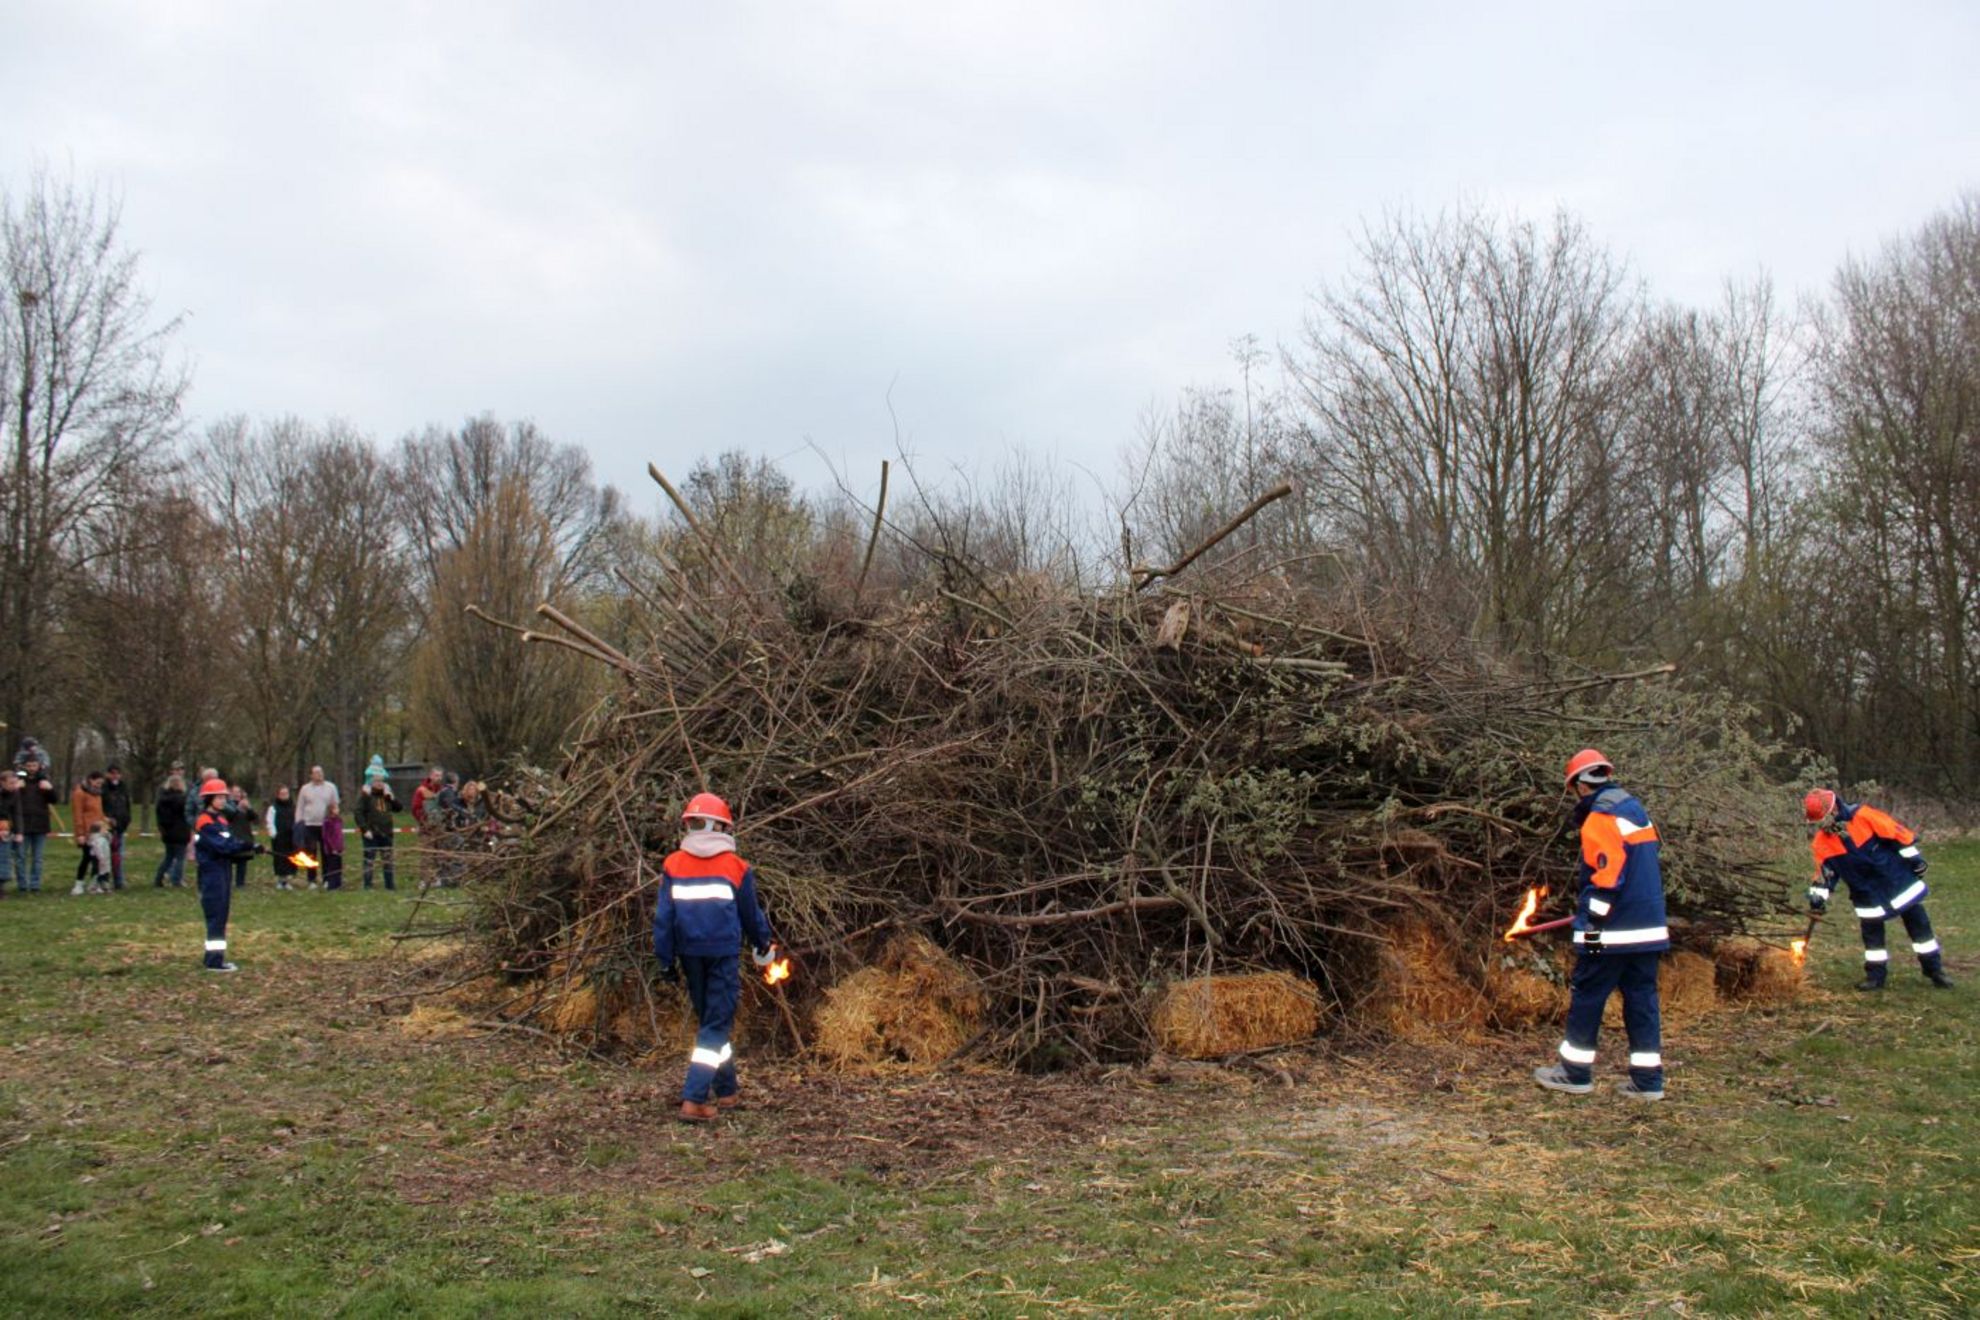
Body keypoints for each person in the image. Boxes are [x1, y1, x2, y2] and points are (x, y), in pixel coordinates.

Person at [1533, 749, 1669, 1102]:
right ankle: (1648, 1082)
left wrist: (1589, 922)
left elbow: (1608, 877)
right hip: (1649, 932)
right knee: (1641, 999)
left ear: (1579, 785)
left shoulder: (1600, 817)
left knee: (1588, 991)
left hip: (1606, 933)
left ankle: (1574, 1073)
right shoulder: (1635, 810)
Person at [652, 792, 777, 1123]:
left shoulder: (673, 864)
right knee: (716, 1025)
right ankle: (693, 1099)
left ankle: (726, 1090)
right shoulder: (736, 867)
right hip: (723, 956)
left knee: (711, 1022)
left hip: (688, 955)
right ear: (721, 827)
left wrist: (665, 960)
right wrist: (763, 944)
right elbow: (751, 915)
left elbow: (663, 919)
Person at [1803, 789, 1952, 991]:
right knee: (1872, 938)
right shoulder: (1822, 842)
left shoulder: (1864, 816)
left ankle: (1935, 970)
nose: (1823, 825)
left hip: (1897, 881)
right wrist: (1818, 897)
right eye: (1819, 822)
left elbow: (1897, 835)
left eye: (1824, 819)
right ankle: (1875, 977)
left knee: (1921, 929)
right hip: (1865, 893)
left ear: (1835, 808)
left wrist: (1915, 860)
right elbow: (1824, 874)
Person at [192, 778, 260, 972]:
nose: (223, 801)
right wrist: (246, 846)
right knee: (216, 915)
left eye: (224, 797)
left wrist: (250, 846)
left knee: (222, 915)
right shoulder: (205, 822)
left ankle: (215, 958)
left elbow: (231, 841)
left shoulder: (221, 820)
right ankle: (214, 961)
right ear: (209, 799)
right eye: (219, 797)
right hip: (211, 872)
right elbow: (222, 846)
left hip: (223, 870)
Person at [14, 756, 57, 893]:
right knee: (21, 857)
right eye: (29, 766)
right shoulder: (18, 780)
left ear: (39, 766)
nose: (32, 768)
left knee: (37, 858)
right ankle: (22, 885)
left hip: (40, 824)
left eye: (34, 765)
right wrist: (16, 788)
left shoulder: (43, 780)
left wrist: (50, 789)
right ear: (24, 766)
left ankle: (35, 885)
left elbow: (54, 800)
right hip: (22, 824)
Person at [70, 770, 110, 896]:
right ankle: (79, 884)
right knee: (87, 857)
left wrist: (106, 822)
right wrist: (80, 834)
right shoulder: (80, 793)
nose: (99, 785)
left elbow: (99, 813)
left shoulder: (97, 794)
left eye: (101, 783)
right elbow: (78, 815)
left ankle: (94, 883)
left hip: (99, 831)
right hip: (87, 832)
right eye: (97, 783)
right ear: (90, 780)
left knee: (99, 858)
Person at [357, 778, 399, 890]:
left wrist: (392, 799)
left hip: (386, 833)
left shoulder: (387, 796)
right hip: (372, 833)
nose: (380, 784)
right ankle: (367, 885)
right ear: (372, 784)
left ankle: (389, 885)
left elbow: (399, 808)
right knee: (369, 860)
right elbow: (358, 813)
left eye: (381, 782)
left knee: (388, 860)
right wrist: (364, 829)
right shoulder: (367, 796)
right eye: (377, 782)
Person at [153, 774, 191, 887]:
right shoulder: (182, 799)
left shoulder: (162, 799)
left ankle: (159, 878)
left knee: (168, 857)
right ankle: (176, 880)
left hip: (167, 832)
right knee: (180, 857)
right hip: (180, 831)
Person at [102, 765, 132, 889]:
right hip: (107, 827)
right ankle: (104, 881)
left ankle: (119, 881)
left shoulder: (123, 788)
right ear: (107, 774)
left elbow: (127, 805)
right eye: (113, 773)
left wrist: (127, 819)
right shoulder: (103, 788)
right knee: (104, 856)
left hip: (120, 826)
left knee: (118, 855)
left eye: (117, 773)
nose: (115, 776)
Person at [265, 785, 299, 889]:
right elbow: (270, 822)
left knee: (290, 859)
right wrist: (274, 834)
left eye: (286, 793)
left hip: (291, 837)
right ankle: (280, 881)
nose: (284, 796)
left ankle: (287, 881)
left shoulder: (293, 807)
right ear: (278, 795)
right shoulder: (273, 808)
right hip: (279, 838)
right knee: (280, 859)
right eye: (282, 794)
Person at [225, 784, 256, 889]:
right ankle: (227, 882)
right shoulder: (227, 805)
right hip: (232, 835)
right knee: (229, 861)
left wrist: (249, 808)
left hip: (245, 835)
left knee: (242, 862)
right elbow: (231, 816)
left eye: (239, 792)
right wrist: (239, 808)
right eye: (235, 792)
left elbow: (254, 818)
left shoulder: (245, 805)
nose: (237, 794)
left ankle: (240, 883)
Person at [321, 800, 346, 891]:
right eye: (336, 808)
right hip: (331, 849)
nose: (338, 810)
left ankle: (338, 885)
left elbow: (340, 835)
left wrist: (342, 847)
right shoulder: (327, 822)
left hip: (339, 848)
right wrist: (332, 848)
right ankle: (332, 885)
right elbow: (326, 836)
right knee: (332, 867)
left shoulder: (339, 821)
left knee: (339, 867)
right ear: (331, 810)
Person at [0, 769, 18, 894]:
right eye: (11, 783)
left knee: (4, 858)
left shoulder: (14, 795)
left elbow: (15, 814)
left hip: (6, 830)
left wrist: (16, 830)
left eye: (15, 783)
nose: (14, 786)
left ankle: (1, 886)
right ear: (2, 782)